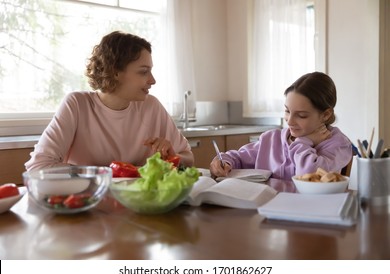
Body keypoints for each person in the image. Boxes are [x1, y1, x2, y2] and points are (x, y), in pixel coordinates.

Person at [25, 31, 194, 171]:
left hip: (137, 204)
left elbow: (188, 158)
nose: (152, 80)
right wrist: (107, 173)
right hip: (88, 201)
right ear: (115, 72)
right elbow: (38, 167)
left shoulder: (151, 106)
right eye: (143, 72)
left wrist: (173, 158)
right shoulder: (77, 105)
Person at [210, 72, 352, 180]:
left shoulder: (338, 145)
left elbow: (309, 175)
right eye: (287, 111)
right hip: (268, 212)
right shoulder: (272, 139)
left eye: (301, 115)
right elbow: (239, 158)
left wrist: (303, 142)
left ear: (326, 115)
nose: (289, 121)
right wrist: (223, 162)